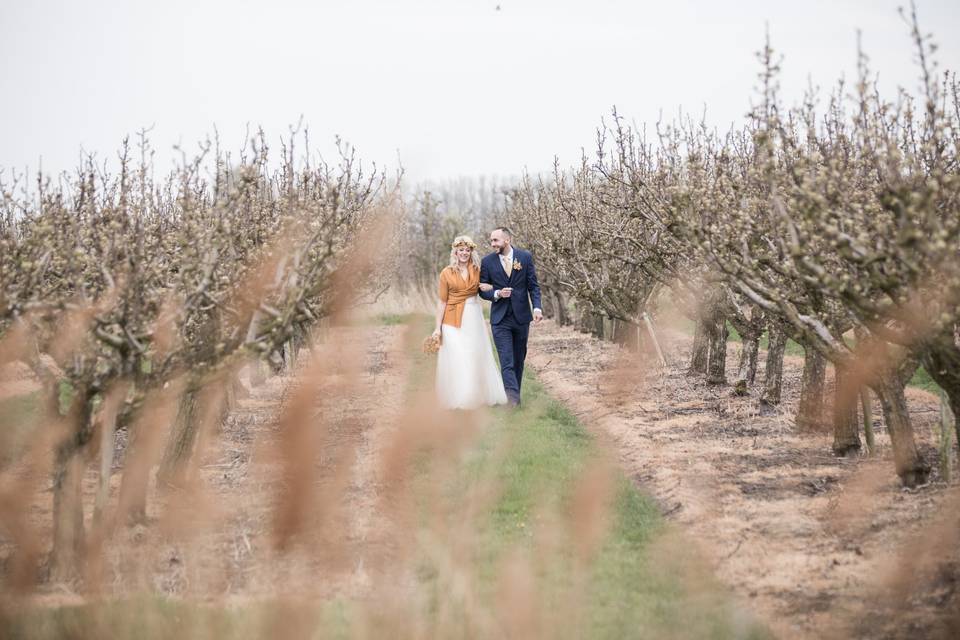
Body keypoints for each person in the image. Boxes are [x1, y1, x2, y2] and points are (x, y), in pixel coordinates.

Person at [432, 236, 508, 410]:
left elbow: (487, 286)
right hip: (451, 319)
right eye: (461, 250)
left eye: (467, 250)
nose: (464, 253)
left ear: (471, 252)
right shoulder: (446, 273)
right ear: (455, 252)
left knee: (475, 355)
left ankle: (478, 395)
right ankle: (460, 397)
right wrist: (438, 328)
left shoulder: (477, 270)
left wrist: (489, 288)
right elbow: (442, 302)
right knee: (458, 355)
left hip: (473, 316)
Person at [478, 227, 542, 407]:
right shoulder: (487, 262)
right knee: (506, 360)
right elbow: (482, 290)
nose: (492, 244)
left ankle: (515, 396)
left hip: (521, 317)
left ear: (507, 240)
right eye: (491, 241)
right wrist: (497, 293)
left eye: (495, 240)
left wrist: (537, 308)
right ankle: (512, 400)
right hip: (500, 319)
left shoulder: (525, 257)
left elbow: (533, 286)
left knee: (518, 359)